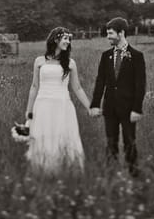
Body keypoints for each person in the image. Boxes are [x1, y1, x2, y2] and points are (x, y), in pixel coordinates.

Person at [24, 27, 92, 174]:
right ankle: (44, 170)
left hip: (63, 105)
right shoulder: (39, 61)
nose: (68, 42)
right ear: (56, 39)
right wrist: (29, 111)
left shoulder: (70, 63)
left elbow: (78, 88)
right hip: (42, 105)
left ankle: (66, 172)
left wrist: (89, 107)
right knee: (44, 136)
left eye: (69, 39)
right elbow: (34, 87)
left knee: (63, 136)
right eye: (65, 38)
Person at [90, 17, 146, 177]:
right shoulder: (105, 56)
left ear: (121, 33)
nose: (107, 37)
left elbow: (140, 85)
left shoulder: (136, 56)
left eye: (110, 33)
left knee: (130, 141)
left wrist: (137, 109)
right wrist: (95, 104)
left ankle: (134, 174)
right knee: (110, 142)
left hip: (129, 109)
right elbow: (100, 81)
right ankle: (111, 175)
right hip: (110, 108)